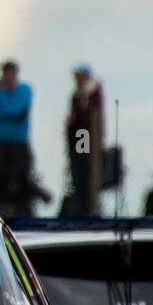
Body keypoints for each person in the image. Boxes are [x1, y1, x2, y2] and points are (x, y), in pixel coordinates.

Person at [0, 60, 34, 216]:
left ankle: (24, 212)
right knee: (1, 177)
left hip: (19, 142)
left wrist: (3, 116)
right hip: (2, 143)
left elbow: (17, 112)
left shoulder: (25, 90)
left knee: (21, 177)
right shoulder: (1, 94)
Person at [64, 65, 105, 216]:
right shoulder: (76, 94)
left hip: (86, 135)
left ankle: (89, 206)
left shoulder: (93, 92)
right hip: (78, 135)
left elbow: (89, 114)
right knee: (78, 169)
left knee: (87, 167)